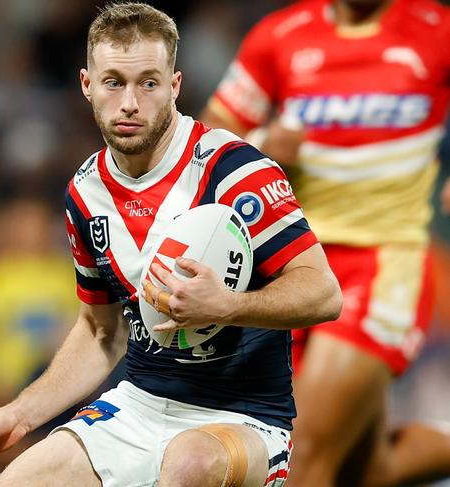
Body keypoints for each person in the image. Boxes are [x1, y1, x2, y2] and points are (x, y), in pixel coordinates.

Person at [0, 3, 342, 486]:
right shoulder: (84, 193)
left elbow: (324, 293)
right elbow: (100, 332)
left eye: (148, 83)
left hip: (242, 417)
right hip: (139, 405)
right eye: (114, 82)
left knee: (188, 467)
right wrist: (19, 414)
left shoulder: (235, 171)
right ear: (87, 84)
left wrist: (229, 305)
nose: (130, 102)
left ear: (174, 86)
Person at [201, 0, 450, 486]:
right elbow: (207, 141)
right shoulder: (280, 35)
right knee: (366, 470)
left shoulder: (435, 28)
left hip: (384, 265)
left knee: (300, 457)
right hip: (292, 270)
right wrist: (261, 142)